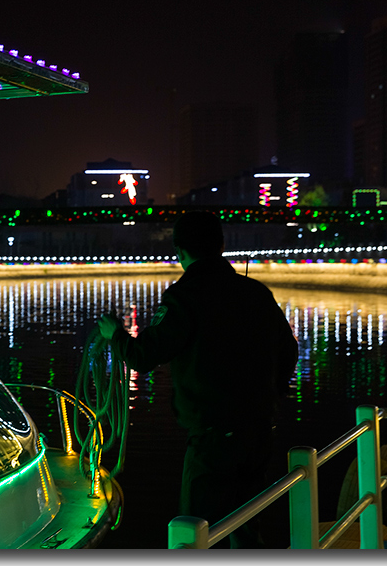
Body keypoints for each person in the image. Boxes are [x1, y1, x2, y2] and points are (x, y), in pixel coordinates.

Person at [97, 211, 298, 548]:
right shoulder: (256, 292)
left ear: (179, 251)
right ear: (221, 245)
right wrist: (269, 397)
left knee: (195, 532)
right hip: (259, 432)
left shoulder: (184, 297)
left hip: (212, 439)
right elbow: (289, 351)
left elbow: (143, 356)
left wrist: (115, 334)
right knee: (247, 526)